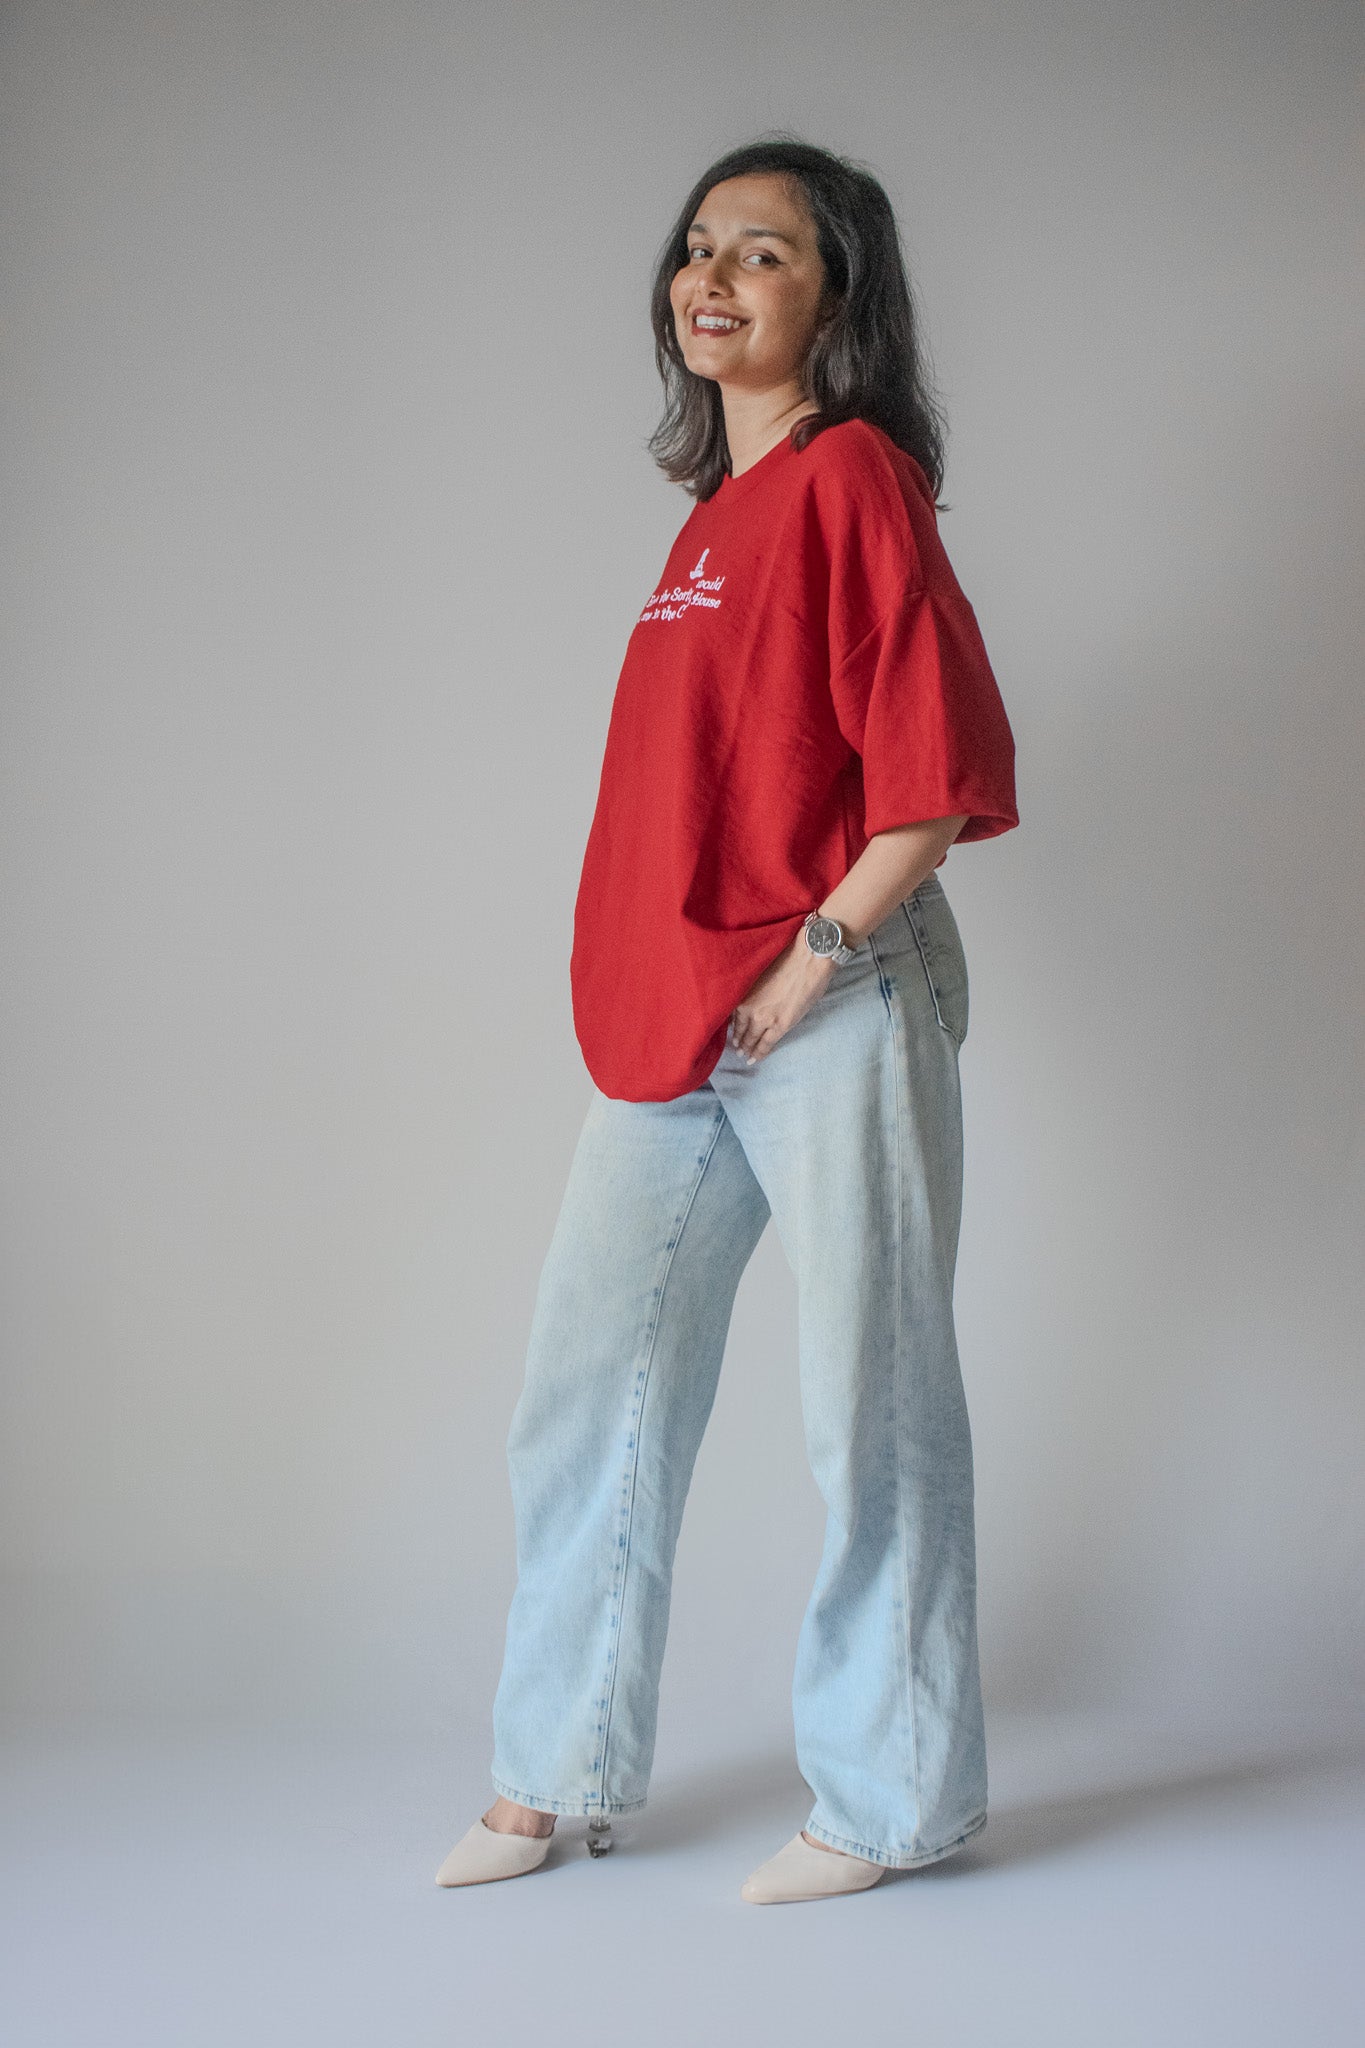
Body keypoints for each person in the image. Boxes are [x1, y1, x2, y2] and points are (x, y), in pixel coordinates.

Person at [435, 136, 1018, 1905]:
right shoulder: (710, 518)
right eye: (698, 248)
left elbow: (932, 779)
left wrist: (810, 964)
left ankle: (889, 1799)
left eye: (760, 254)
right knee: (588, 1390)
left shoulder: (854, 479)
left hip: (826, 986)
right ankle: (552, 1774)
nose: (712, 278)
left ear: (835, 293)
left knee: (871, 1396)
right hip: (683, 1019)